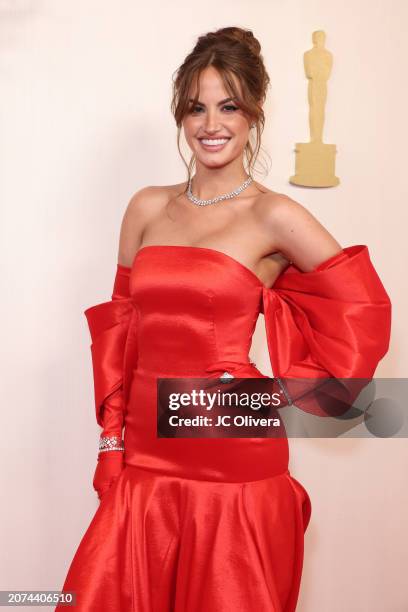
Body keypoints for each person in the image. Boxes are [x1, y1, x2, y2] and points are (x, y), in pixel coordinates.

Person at [56, 27, 391, 612]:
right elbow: (121, 334)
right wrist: (111, 442)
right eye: (197, 107)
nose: (211, 123)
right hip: (145, 458)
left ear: (254, 112)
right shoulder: (147, 206)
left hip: (230, 456)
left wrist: (265, 399)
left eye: (229, 105)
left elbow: (364, 312)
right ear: (181, 114)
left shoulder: (273, 214)